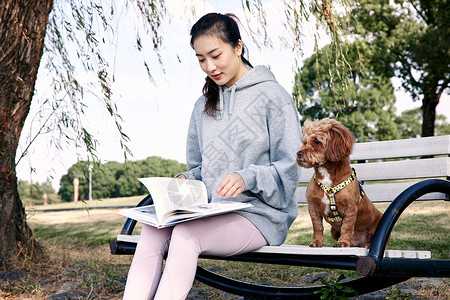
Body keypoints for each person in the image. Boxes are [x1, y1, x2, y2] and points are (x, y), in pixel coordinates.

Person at [123, 12, 302, 299]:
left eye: (216, 55)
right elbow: (199, 169)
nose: (210, 66)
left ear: (238, 47)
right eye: (201, 59)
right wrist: (185, 180)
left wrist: (247, 177)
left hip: (260, 215)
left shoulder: (273, 97)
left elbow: (290, 167)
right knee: (152, 229)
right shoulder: (202, 105)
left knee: (185, 236)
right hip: (211, 211)